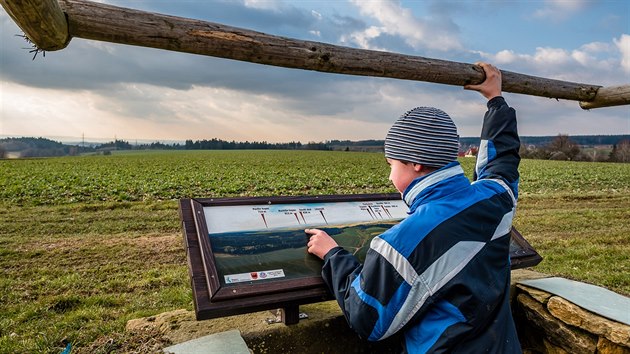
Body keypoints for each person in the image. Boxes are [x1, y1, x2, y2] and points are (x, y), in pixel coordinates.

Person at [305, 62, 522, 353]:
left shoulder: (402, 243)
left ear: (415, 163)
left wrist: (332, 254)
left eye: (391, 164)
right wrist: (495, 101)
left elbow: (366, 318)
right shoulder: (496, 198)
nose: (389, 175)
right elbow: (502, 162)